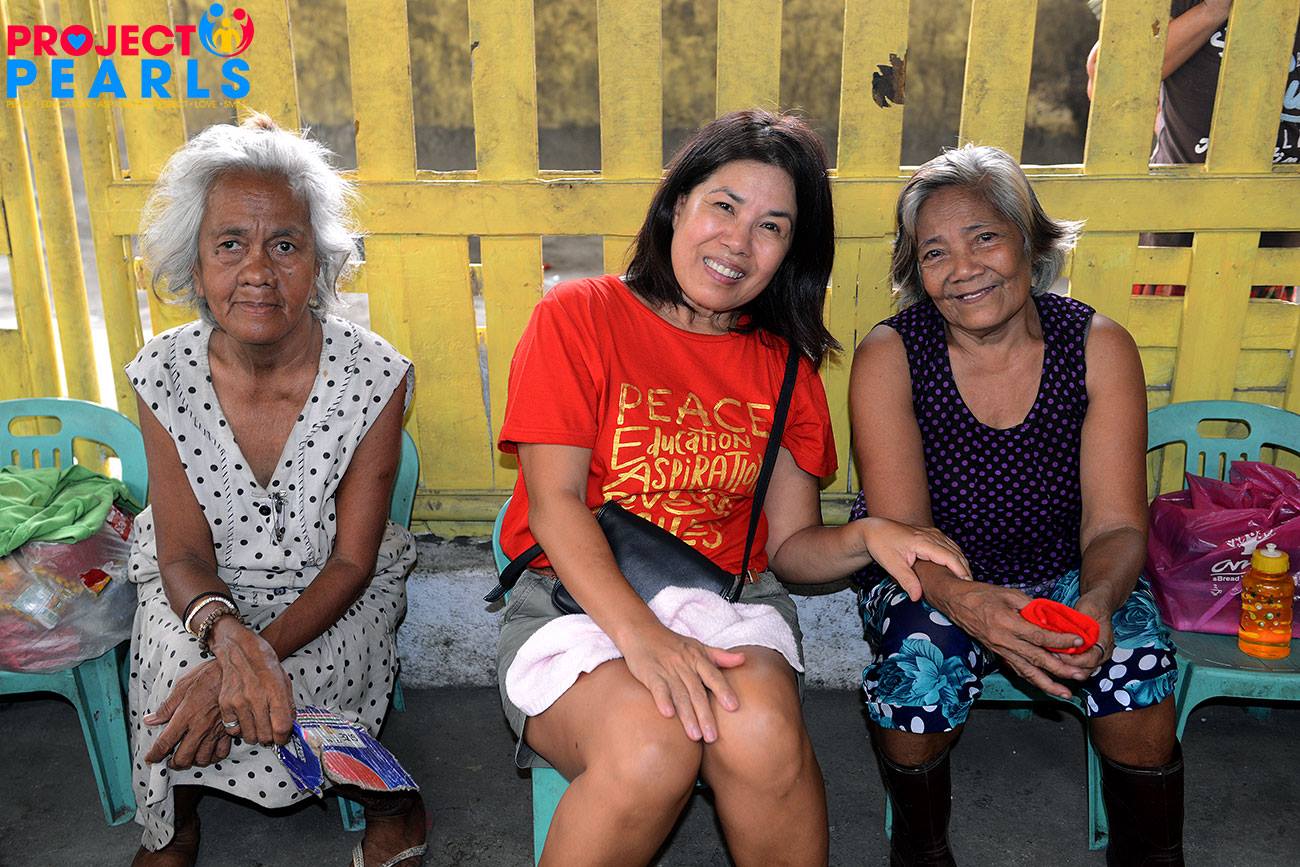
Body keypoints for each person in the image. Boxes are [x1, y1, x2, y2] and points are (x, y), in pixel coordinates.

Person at [494, 109, 970, 867]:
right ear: (677, 203)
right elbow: (554, 504)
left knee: (762, 734)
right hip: (574, 600)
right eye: (724, 206)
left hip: (730, 602)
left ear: (790, 253)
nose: (738, 243)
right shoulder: (580, 316)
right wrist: (645, 638)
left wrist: (867, 535)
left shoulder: (784, 366)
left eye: (771, 227)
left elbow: (790, 549)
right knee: (651, 744)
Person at [848, 145, 1183, 865]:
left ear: (1030, 243)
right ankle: (920, 851)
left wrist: (1096, 600)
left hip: (1069, 567)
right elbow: (905, 534)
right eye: (934, 252)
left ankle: (1151, 855)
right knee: (919, 671)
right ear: (916, 273)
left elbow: (1117, 524)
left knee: (1136, 667)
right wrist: (971, 604)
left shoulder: (1097, 345)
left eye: (984, 237)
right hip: (927, 571)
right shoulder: (891, 355)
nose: (963, 268)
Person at [125, 114, 426, 867]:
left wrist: (257, 656)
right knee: (172, 667)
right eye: (230, 244)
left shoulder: (375, 375)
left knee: (307, 669)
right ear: (195, 264)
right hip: (203, 585)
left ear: (319, 264)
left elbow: (353, 563)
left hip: (332, 580)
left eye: (285, 245)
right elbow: (181, 553)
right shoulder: (162, 372)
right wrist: (230, 641)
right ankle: (176, 817)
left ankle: (392, 799)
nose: (257, 270)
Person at [1086, 0, 1300, 296]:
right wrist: (1213, 9)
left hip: (1274, 249)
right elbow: (1108, 77)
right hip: (1173, 240)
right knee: (1152, 323)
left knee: (1260, 324)